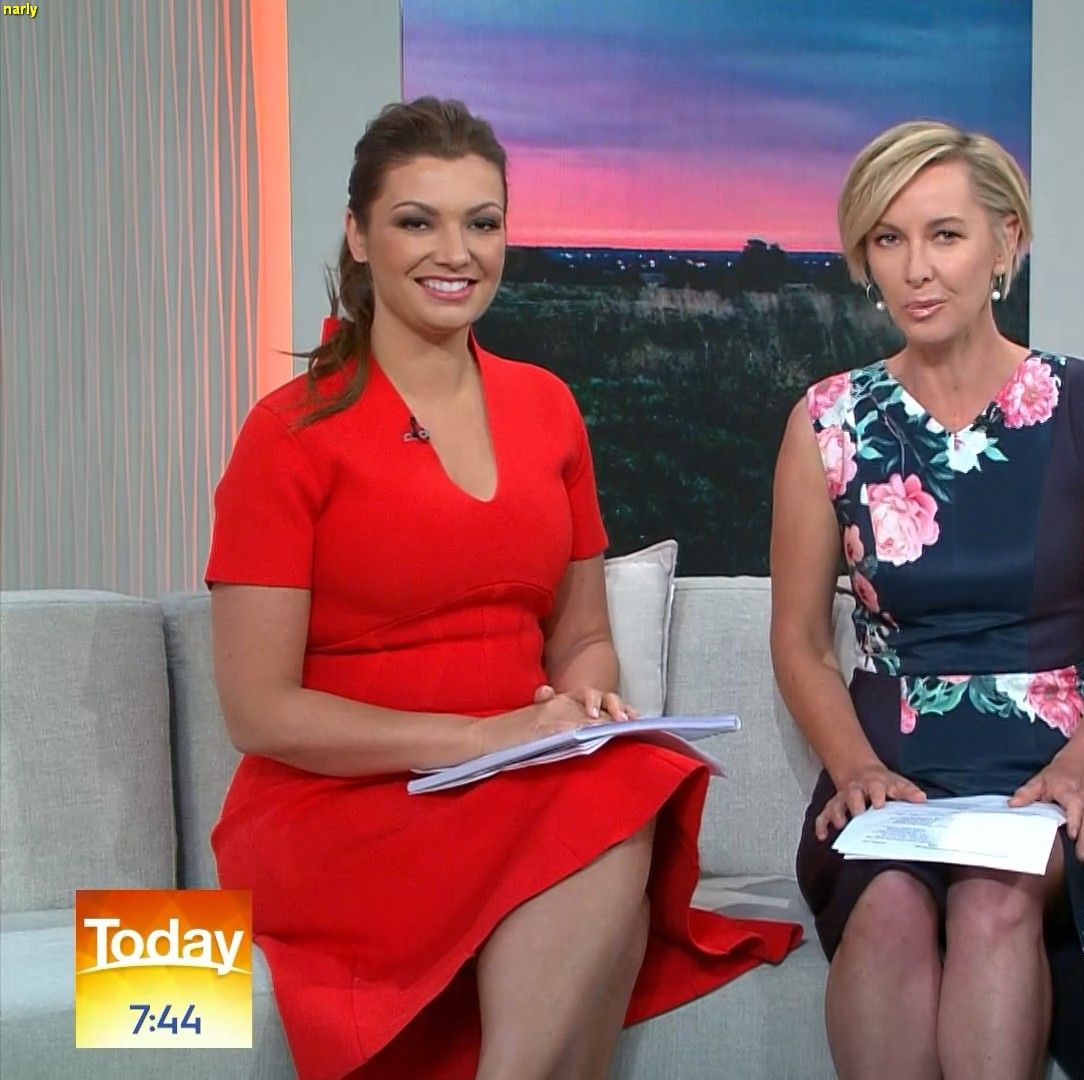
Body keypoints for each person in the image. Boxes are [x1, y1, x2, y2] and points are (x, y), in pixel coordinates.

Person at [205, 97, 798, 1079]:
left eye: (482, 223)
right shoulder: (288, 435)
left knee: (619, 786)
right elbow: (258, 712)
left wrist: (582, 708)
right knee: (604, 817)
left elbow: (582, 640)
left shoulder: (547, 407)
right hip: (340, 810)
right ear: (358, 235)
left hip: (518, 784)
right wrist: (482, 740)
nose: (457, 253)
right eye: (417, 221)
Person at [770, 120, 1084, 1080]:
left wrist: (1081, 767)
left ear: (1006, 242)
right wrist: (854, 768)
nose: (916, 268)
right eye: (889, 239)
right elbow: (800, 643)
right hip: (890, 764)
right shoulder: (827, 421)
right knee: (887, 913)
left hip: (1049, 763)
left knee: (994, 901)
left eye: (945, 235)